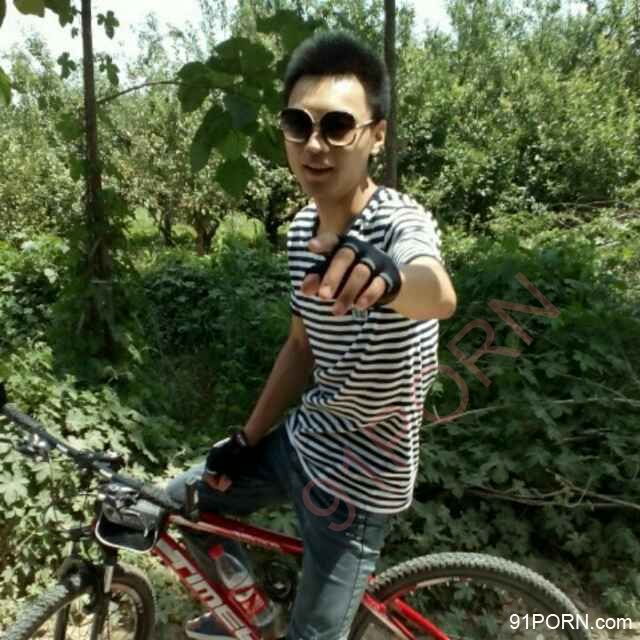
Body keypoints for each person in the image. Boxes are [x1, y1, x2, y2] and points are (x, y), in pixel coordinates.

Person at [168, 30, 457, 640]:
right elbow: (301, 346)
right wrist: (246, 439)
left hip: (359, 485)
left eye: (338, 126)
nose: (315, 145)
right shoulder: (302, 231)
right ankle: (253, 612)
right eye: (298, 125)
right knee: (177, 506)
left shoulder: (398, 222)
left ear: (377, 135)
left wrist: (388, 277)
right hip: (301, 443)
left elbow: (437, 291)